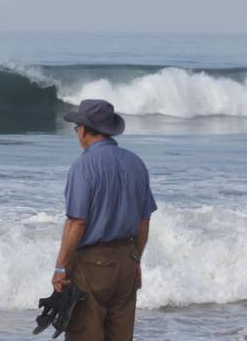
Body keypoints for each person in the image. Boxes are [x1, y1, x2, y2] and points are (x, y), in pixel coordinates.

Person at [51, 99, 157, 341]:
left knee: (84, 333)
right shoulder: (135, 163)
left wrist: (60, 268)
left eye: (77, 127)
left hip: (92, 264)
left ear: (85, 130)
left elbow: (77, 223)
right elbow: (144, 221)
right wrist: (136, 260)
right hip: (127, 262)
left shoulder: (84, 165)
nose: (76, 132)